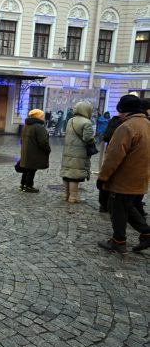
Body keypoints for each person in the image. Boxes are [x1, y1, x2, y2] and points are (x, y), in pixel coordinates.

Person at [96, 95, 150, 253]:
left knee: (117, 208)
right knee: (127, 206)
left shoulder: (126, 127)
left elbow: (113, 157)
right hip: (141, 175)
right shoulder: (147, 123)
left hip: (124, 177)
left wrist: (103, 177)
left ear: (122, 110)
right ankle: (146, 232)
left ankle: (118, 240)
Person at [60, 101, 95, 203]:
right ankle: (73, 197)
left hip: (68, 151)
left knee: (67, 173)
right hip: (79, 152)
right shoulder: (86, 122)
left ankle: (65, 195)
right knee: (75, 176)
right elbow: (88, 138)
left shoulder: (70, 120)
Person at [19, 109, 51, 193]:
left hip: (26, 151)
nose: (43, 117)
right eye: (42, 116)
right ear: (39, 117)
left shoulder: (26, 126)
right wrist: (48, 149)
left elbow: (21, 140)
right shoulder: (39, 127)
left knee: (27, 168)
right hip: (35, 152)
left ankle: (22, 185)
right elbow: (43, 141)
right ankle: (28, 186)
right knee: (32, 169)